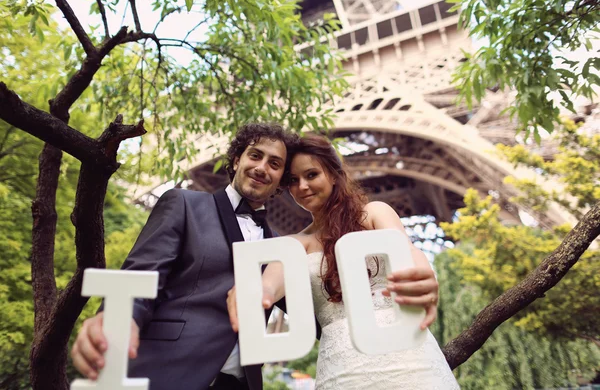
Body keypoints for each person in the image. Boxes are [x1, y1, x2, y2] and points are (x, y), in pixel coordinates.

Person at [70, 123, 299, 390]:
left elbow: (318, 312)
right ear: (237, 160)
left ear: (282, 177)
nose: (262, 168)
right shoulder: (184, 204)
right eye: (255, 155)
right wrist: (117, 319)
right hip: (171, 372)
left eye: (274, 163)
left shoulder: (279, 250)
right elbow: (141, 277)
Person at [228, 134, 459, 389]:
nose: (302, 186)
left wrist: (423, 274)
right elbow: (270, 284)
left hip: (410, 361)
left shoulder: (374, 214)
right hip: (342, 370)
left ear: (334, 174)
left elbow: (407, 252)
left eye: (312, 175)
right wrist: (255, 291)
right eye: (293, 181)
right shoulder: (296, 243)